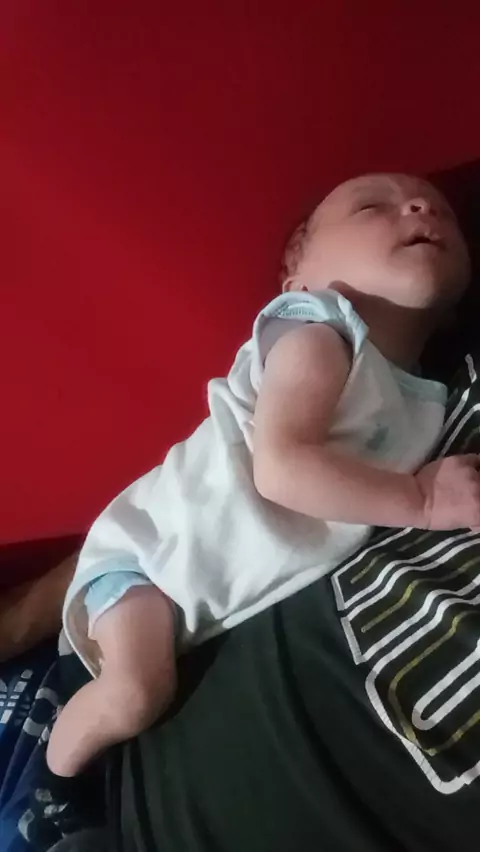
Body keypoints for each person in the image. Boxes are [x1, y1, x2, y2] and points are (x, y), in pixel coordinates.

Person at [47, 172, 479, 778]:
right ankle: (50, 783)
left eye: (441, 211)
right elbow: (281, 468)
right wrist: (422, 502)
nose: (418, 205)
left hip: (197, 597)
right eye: (370, 207)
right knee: (135, 694)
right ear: (297, 277)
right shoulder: (318, 328)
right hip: (145, 559)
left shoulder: (428, 397)